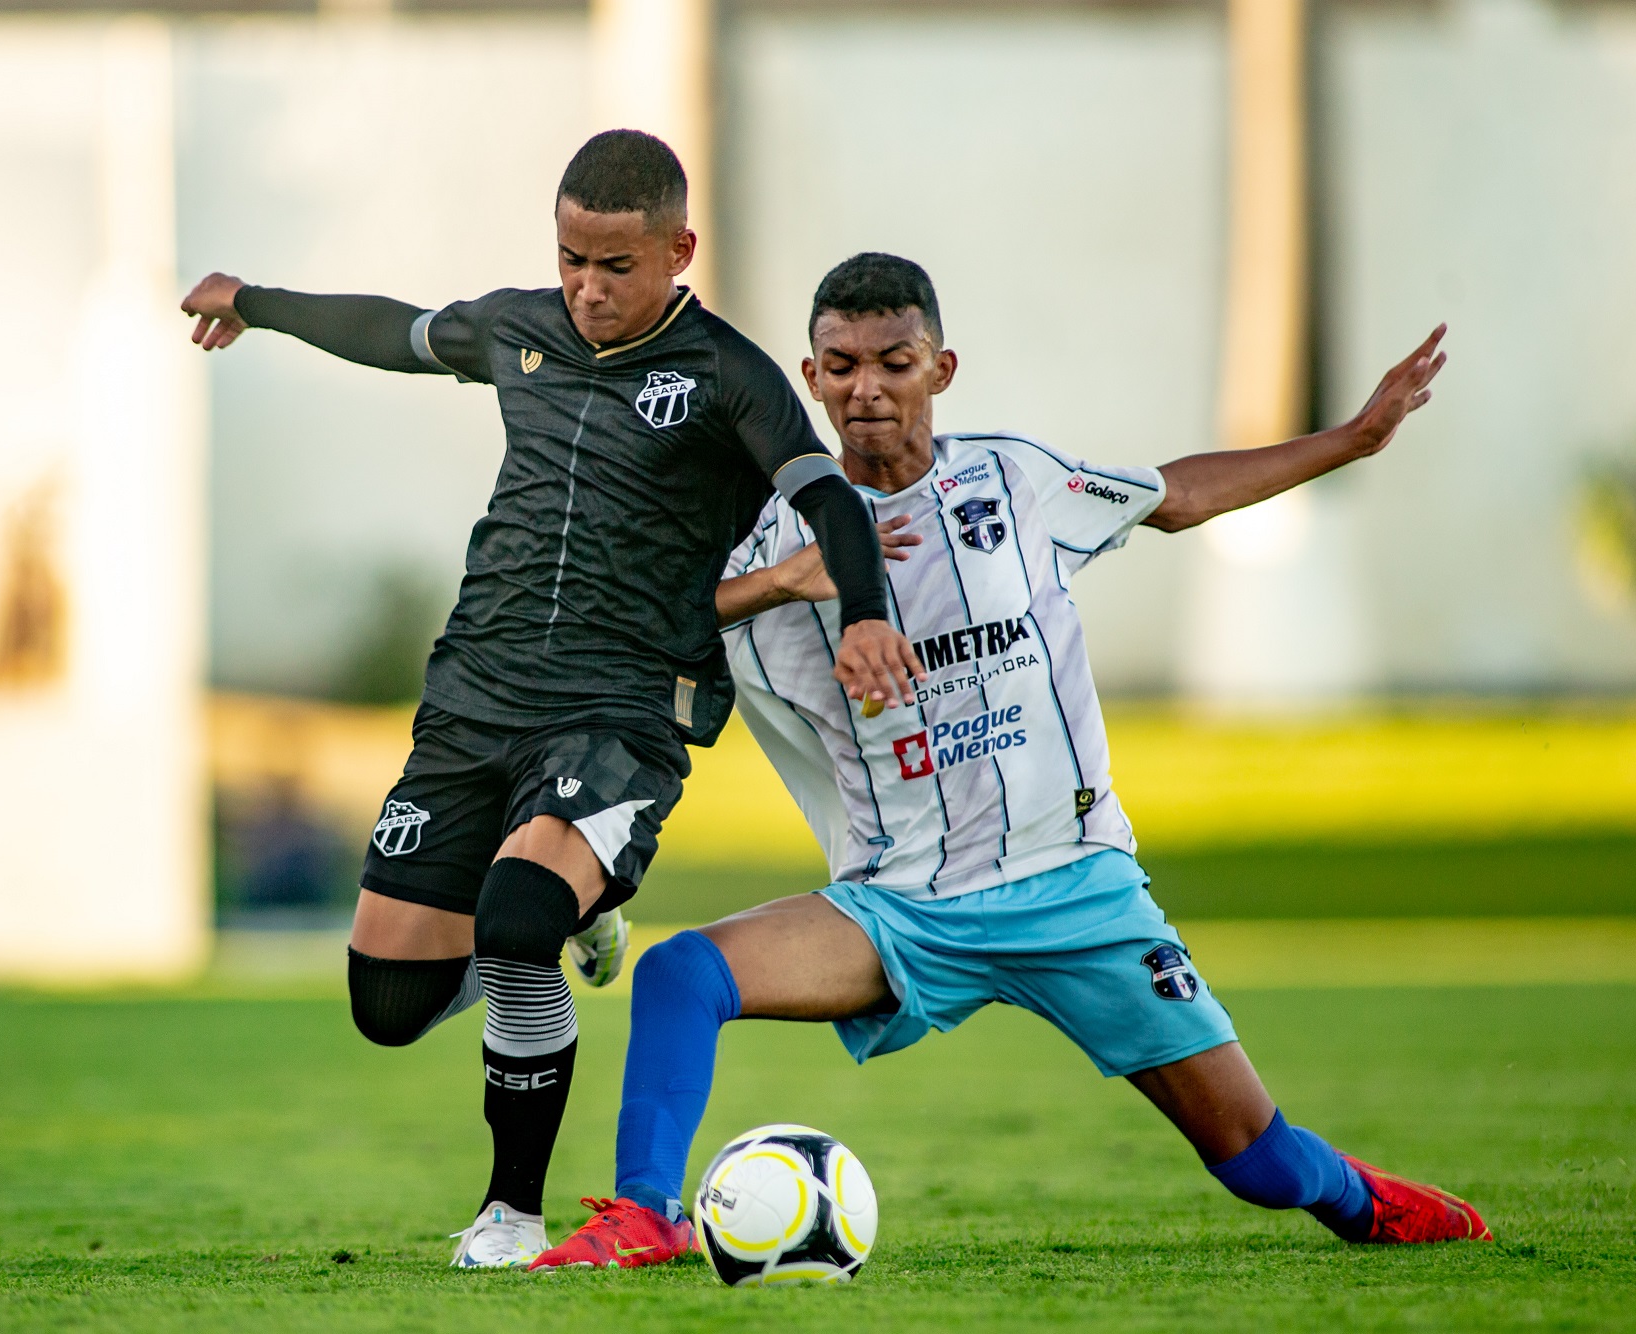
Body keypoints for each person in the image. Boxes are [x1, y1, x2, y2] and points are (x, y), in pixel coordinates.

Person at [529, 252, 1488, 1270]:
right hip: (900, 902)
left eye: (892, 361)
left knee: (1258, 1163)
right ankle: (645, 1215)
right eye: (840, 364)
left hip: (1071, 881)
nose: (866, 388)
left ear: (938, 368)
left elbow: (1175, 496)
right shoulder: (766, 543)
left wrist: (1350, 438)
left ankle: (1356, 1196)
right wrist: (776, 584)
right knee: (682, 972)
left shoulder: (1012, 480)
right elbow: (613, 625)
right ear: (808, 380)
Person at [180, 135, 925, 1268]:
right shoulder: (520, 326)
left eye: (616, 265)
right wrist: (259, 302)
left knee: (518, 921)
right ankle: (575, 906)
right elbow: (397, 331)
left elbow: (826, 496)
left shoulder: (728, 374)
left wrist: (866, 610)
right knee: (385, 1000)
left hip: (617, 709)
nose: (587, 286)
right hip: (472, 694)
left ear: (678, 250)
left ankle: (509, 1211)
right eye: (572, 257)